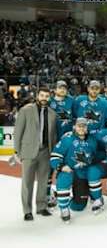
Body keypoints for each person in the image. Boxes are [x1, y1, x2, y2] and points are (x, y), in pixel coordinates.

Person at [13, 86, 57, 221]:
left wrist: (53, 152)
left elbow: (53, 136)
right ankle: (27, 210)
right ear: (38, 96)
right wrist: (16, 151)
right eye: (42, 95)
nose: (44, 98)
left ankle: (41, 207)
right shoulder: (26, 110)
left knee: (44, 181)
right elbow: (18, 131)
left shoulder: (52, 114)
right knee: (27, 182)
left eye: (46, 96)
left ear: (49, 97)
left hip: (45, 151)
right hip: (28, 151)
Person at [50, 118, 97, 223]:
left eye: (84, 126)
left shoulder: (92, 140)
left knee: (79, 206)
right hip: (68, 170)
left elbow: (96, 156)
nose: (81, 128)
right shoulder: (67, 139)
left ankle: (72, 197)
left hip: (82, 173)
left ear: (87, 128)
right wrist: (61, 166)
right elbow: (54, 157)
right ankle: (63, 207)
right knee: (64, 180)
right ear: (74, 127)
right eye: (79, 126)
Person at [47, 80, 75, 208]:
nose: (63, 90)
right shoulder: (49, 102)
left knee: (68, 166)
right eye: (60, 88)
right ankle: (47, 194)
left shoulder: (71, 101)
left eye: (65, 88)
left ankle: (65, 191)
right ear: (55, 89)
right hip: (52, 139)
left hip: (68, 140)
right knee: (50, 167)